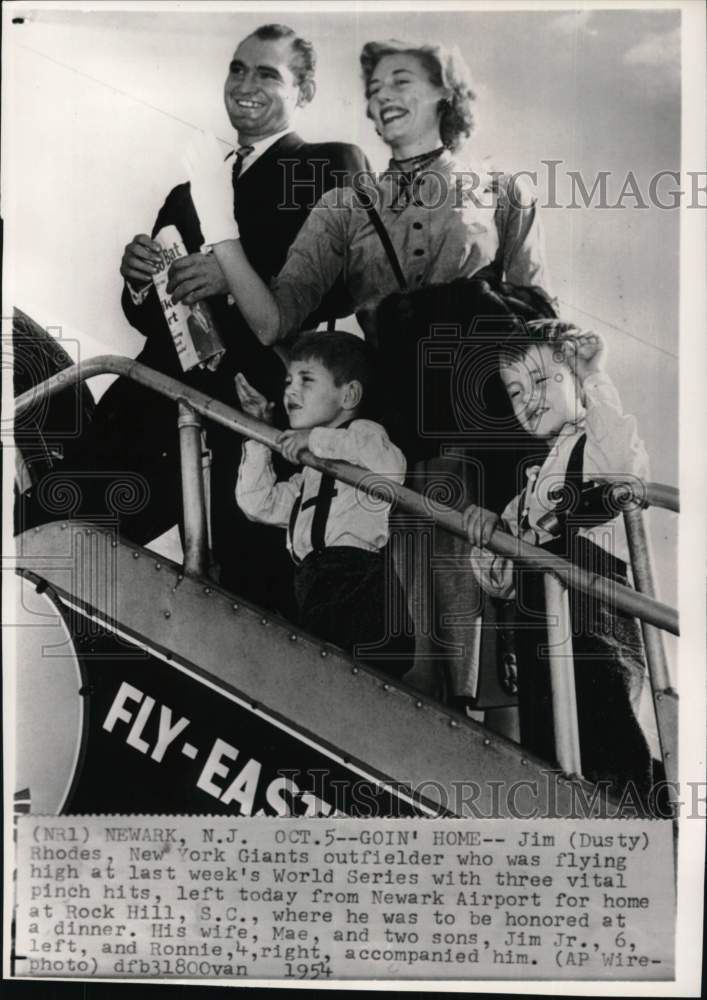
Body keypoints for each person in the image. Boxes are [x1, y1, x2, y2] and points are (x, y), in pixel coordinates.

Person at [185, 38, 552, 704]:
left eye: (400, 81)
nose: (381, 95)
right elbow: (275, 321)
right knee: (408, 645)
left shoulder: (504, 192)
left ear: (447, 93)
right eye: (373, 84)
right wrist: (222, 236)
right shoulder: (341, 207)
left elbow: (534, 319)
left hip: (483, 434)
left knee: (492, 637)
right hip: (392, 438)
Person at [53, 24, 368, 613]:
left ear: (306, 90)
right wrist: (138, 279)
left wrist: (238, 276)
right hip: (153, 400)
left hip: (250, 410)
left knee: (243, 600)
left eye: (267, 73)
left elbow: (339, 282)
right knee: (56, 531)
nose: (245, 85)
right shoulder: (187, 189)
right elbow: (153, 317)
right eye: (237, 69)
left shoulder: (328, 163)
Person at [463, 320, 653, 799]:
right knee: (549, 735)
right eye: (515, 390)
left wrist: (595, 377)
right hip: (539, 622)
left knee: (602, 721)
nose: (528, 398)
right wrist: (490, 537)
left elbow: (623, 469)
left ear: (575, 380)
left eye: (543, 381)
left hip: (593, 609)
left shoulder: (593, 443)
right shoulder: (531, 481)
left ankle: (631, 806)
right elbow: (500, 580)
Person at [235, 331, 412, 677]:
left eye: (307, 380)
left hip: (355, 580)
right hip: (314, 582)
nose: (290, 391)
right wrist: (257, 432)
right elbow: (257, 502)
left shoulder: (364, 432)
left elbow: (391, 468)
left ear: (349, 394)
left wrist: (314, 440)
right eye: (288, 381)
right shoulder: (310, 476)